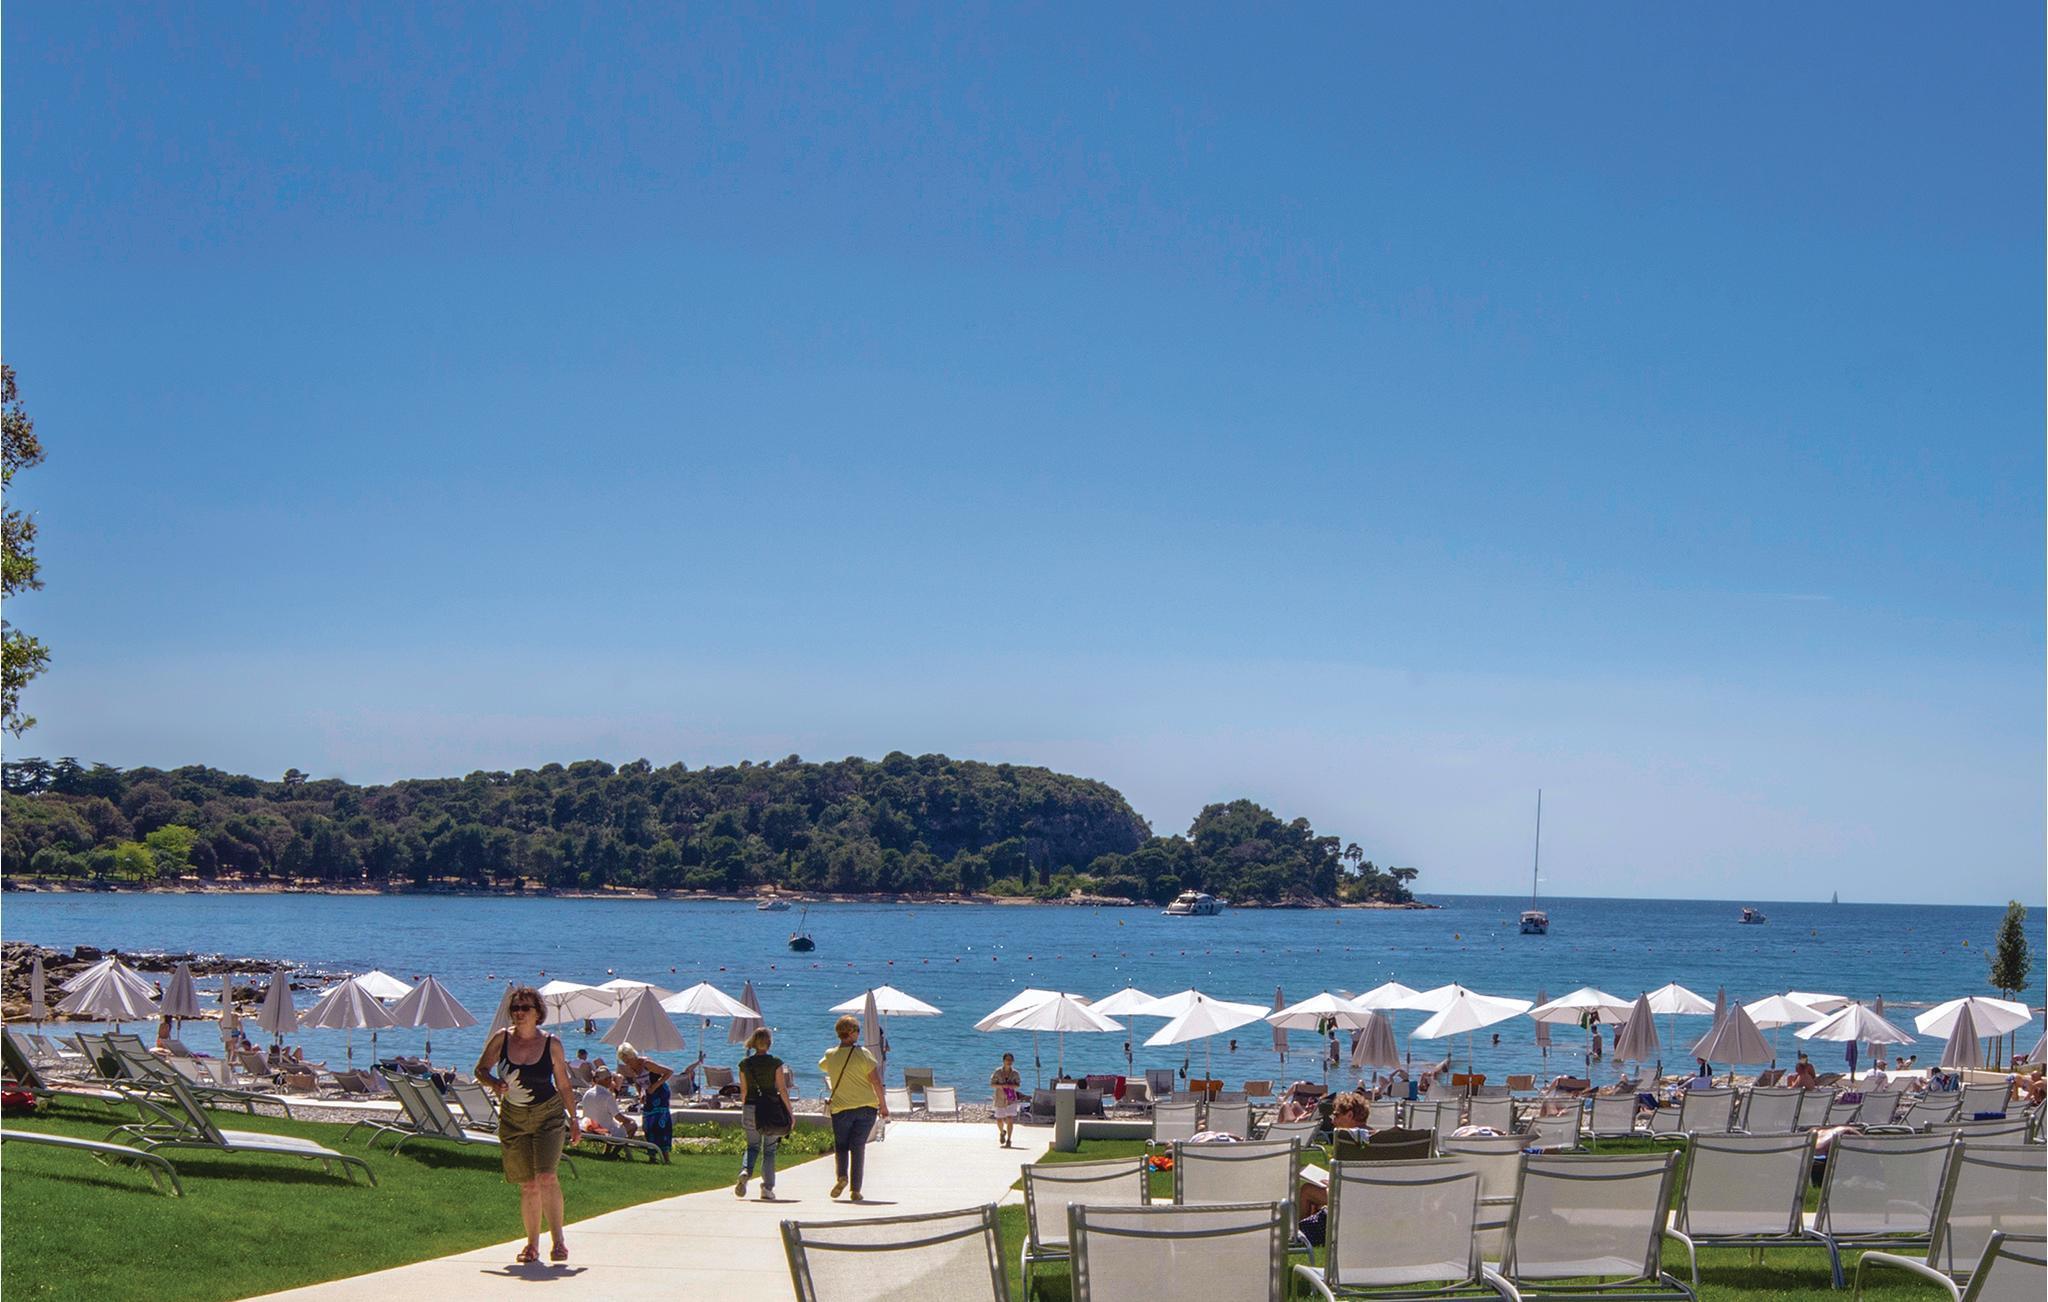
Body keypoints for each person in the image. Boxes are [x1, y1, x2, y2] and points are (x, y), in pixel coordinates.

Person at [474, 985, 579, 1266]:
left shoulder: (551, 1044)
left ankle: (558, 1241)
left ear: (537, 1013)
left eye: (525, 1008)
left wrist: (574, 1120)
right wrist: (493, 1082)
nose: (519, 1013)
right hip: (513, 1118)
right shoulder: (502, 1039)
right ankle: (532, 1245)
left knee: (546, 1177)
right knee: (528, 1184)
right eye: (515, 1008)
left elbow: (564, 1084)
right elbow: (480, 1069)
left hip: (548, 1115)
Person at [818, 1014, 888, 1202]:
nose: (859, 1033)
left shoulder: (830, 1055)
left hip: (841, 1108)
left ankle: (842, 1176)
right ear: (851, 1033)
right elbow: (876, 1081)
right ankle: (855, 1190)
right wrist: (883, 1106)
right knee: (858, 1147)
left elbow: (822, 1066)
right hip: (866, 1107)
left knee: (841, 1146)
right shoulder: (863, 1054)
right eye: (857, 1030)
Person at [736, 1028, 792, 1199]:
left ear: (753, 1042)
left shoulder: (744, 1064)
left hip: (750, 1107)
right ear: (769, 1043)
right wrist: (790, 1112)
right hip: (770, 1109)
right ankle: (767, 1188)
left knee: (752, 1146)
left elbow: (744, 1091)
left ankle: (745, 1171)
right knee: (769, 1149)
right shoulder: (775, 1063)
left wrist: (746, 1107)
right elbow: (782, 1089)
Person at [613, 1043, 674, 1154]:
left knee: (660, 1123)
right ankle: (652, 1153)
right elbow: (637, 1082)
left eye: (628, 1060)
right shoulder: (631, 1068)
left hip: (660, 1093)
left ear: (632, 1056)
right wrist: (640, 1093)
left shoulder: (647, 1064)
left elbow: (669, 1072)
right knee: (647, 1124)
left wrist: (655, 1086)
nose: (627, 1064)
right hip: (649, 1094)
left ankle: (664, 1153)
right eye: (625, 1062)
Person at [579, 1069, 638, 1138]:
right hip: (605, 1131)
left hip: (588, 1128)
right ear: (606, 1079)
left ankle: (614, 1143)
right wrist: (630, 1121)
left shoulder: (587, 1093)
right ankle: (621, 1143)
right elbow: (618, 1117)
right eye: (611, 1078)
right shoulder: (607, 1096)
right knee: (632, 1125)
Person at [990, 1052, 1023, 1148]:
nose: (1009, 1062)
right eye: (1007, 1060)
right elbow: (992, 1084)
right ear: (1003, 1061)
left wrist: (1011, 1086)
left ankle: (1009, 1139)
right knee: (999, 1119)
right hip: (1000, 1098)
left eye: (1011, 1060)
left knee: (1010, 1119)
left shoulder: (1015, 1073)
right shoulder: (997, 1072)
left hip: (1011, 1098)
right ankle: (1002, 1132)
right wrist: (1001, 1086)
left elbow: (1018, 1085)